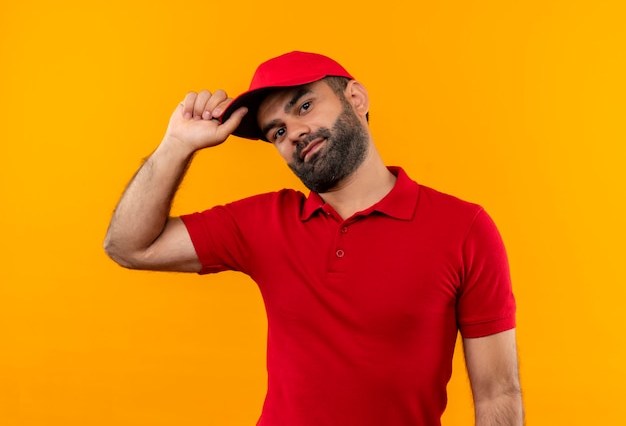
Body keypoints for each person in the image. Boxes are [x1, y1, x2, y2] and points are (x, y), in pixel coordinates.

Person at [104, 51, 523, 425]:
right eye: (277, 133)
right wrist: (176, 146)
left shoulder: (464, 228)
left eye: (304, 106)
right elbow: (128, 246)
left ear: (355, 99)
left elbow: (497, 393)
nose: (295, 134)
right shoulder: (264, 221)